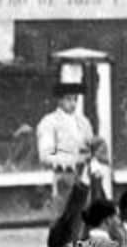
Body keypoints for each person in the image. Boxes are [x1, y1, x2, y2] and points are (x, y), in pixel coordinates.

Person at [35, 81, 101, 220]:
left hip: (85, 178)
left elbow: (90, 149)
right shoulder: (49, 122)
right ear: (59, 100)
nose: (73, 103)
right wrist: (73, 160)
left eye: (75, 99)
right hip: (63, 178)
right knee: (65, 222)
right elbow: (45, 155)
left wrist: (94, 164)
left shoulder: (83, 122)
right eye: (68, 99)